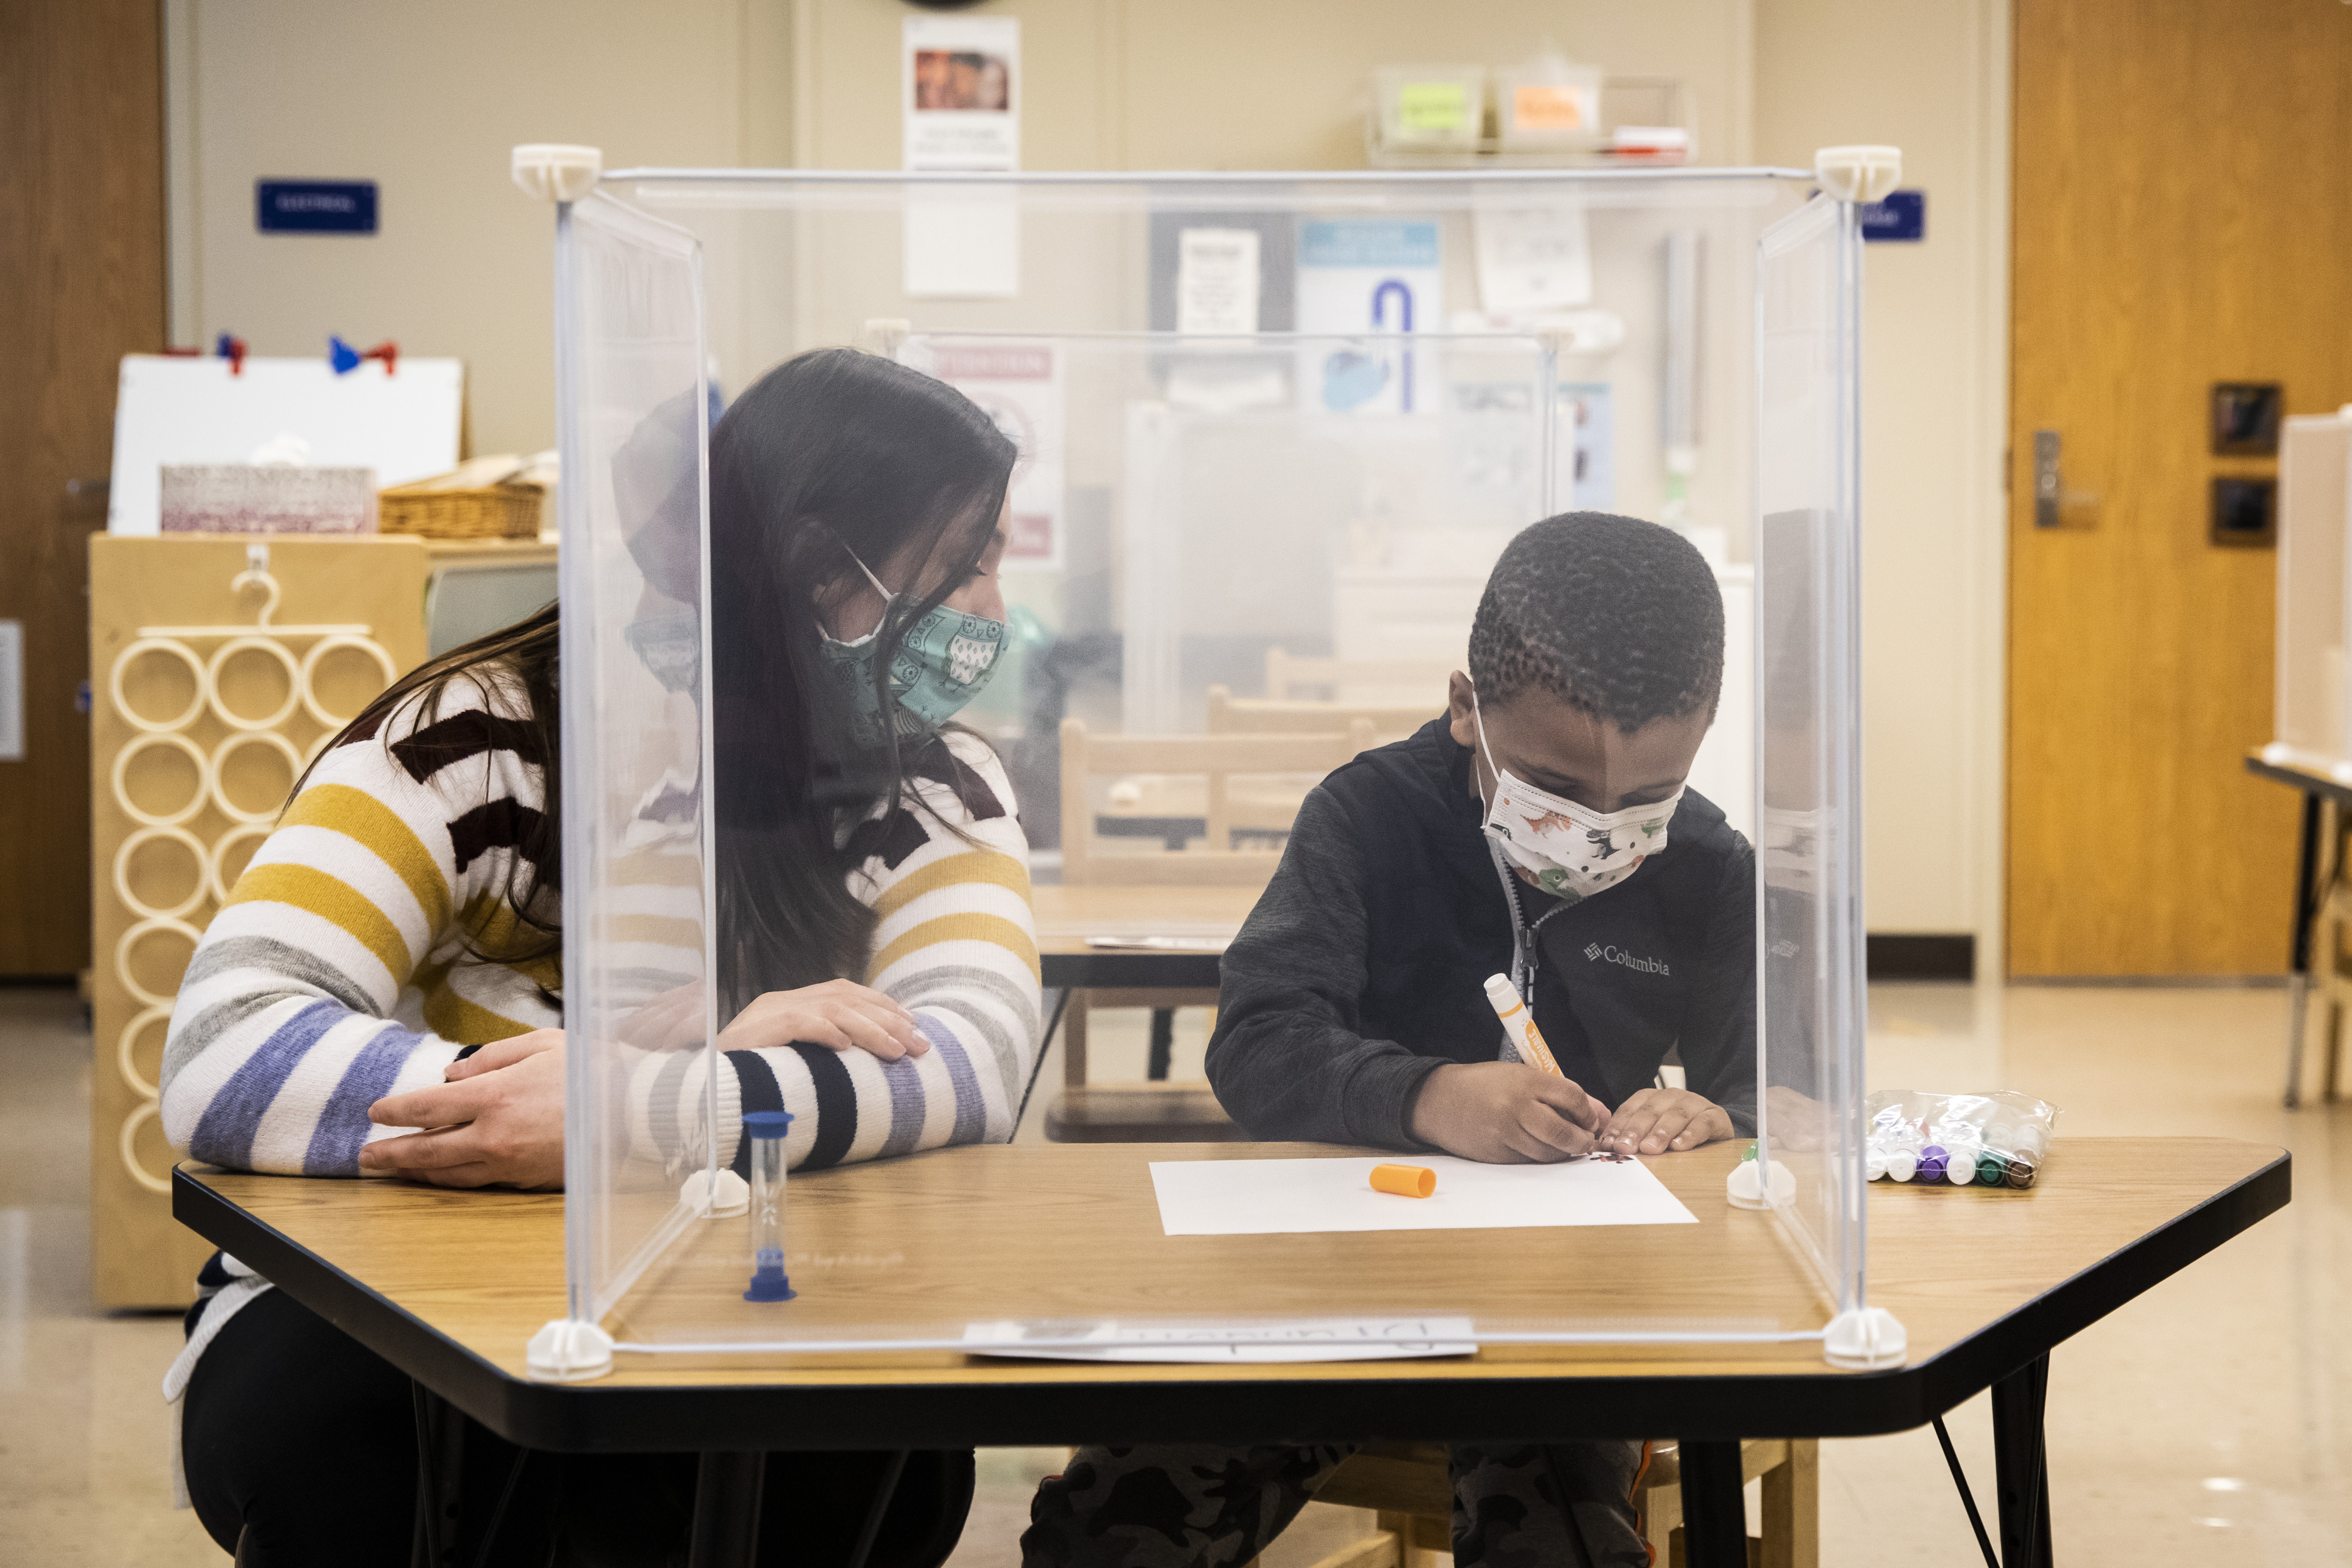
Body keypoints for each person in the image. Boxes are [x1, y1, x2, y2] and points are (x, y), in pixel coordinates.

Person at [159, 348, 1041, 1567]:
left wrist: (624, 1107)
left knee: (872, 1461)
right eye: (969, 562)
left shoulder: (931, 785)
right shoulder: (469, 740)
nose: (995, 608)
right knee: (391, 1467)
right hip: (394, 1319)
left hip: (751, 1298)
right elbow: (224, 1050)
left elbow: (968, 1057)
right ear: (824, 575)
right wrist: (622, 1086)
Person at [1022, 512, 1753, 1568]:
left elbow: (1782, 1093)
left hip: (1571, 1301)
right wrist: (1433, 1096)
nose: (1600, 832)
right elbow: (1257, 1041)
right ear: (1466, 707)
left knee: (1556, 1538)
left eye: (1643, 798)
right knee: (1114, 1528)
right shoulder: (1369, 816)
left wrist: (1718, 1115)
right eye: (1553, 790)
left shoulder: (1705, 866)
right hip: (1331, 1269)